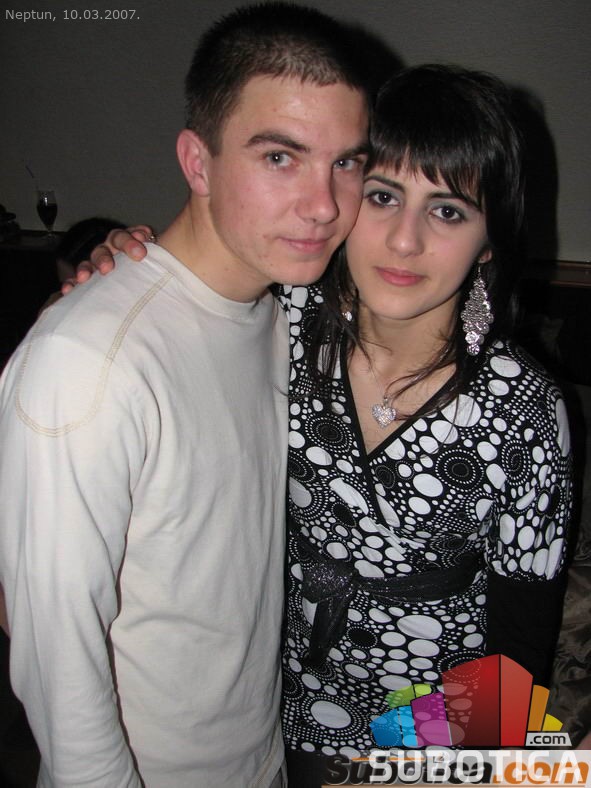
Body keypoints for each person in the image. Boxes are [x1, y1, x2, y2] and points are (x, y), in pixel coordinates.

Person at [88, 65, 572, 786]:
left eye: (447, 212)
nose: (403, 241)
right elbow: (169, 306)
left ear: (489, 241)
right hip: (262, 702)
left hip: (431, 733)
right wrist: (114, 269)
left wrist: (387, 767)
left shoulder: (522, 408)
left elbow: (517, 657)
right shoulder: (280, 317)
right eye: (383, 196)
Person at [0, 3, 370, 786]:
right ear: (198, 164)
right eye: (280, 157)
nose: (323, 203)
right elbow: (56, 657)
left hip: (260, 754)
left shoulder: (281, 312)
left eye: (345, 162)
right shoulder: (87, 360)